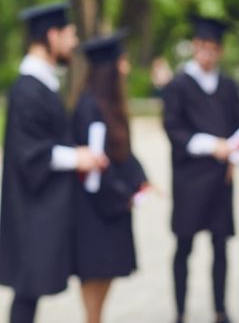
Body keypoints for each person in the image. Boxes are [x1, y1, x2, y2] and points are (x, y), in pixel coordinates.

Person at [0, 1, 107, 323]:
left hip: (39, 204)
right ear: (51, 35)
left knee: (29, 290)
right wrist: (78, 156)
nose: (74, 43)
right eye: (69, 34)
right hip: (30, 208)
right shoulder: (28, 89)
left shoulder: (42, 82)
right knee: (27, 289)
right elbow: (27, 152)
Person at [162, 16, 239, 323]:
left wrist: (234, 157)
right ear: (194, 47)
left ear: (219, 51)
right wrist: (213, 146)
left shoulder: (228, 86)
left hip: (220, 179)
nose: (206, 54)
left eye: (212, 49)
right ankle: (180, 311)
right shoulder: (179, 85)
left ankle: (221, 309)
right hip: (189, 178)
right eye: (201, 47)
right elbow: (173, 130)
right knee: (184, 243)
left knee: (220, 244)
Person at [72, 31, 149, 323]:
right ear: (109, 68)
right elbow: (96, 165)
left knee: (106, 278)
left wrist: (140, 180)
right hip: (95, 211)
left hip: (112, 206)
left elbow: (122, 153)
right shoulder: (89, 107)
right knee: (95, 276)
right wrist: (123, 196)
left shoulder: (110, 106)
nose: (126, 68)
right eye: (122, 61)